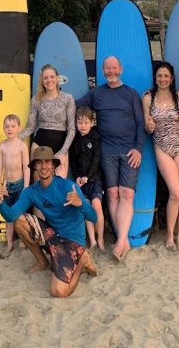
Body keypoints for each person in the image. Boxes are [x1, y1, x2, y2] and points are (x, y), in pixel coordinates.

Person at [0, 146, 98, 298]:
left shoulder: (69, 187)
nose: (44, 166)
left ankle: (82, 261)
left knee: (58, 292)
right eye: (39, 162)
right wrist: (0, 202)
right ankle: (42, 262)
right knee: (19, 221)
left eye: (47, 162)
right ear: (34, 166)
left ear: (53, 165)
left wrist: (80, 204)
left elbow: (93, 217)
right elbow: (11, 216)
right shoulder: (31, 191)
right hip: (52, 235)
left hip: (72, 241)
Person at [77, 55, 145, 262]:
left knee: (127, 193)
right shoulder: (97, 94)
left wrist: (138, 149)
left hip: (129, 150)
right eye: (107, 68)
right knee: (113, 194)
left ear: (120, 69)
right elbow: (75, 106)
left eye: (114, 68)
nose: (111, 71)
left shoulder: (131, 93)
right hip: (107, 150)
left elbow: (140, 123)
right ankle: (122, 241)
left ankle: (121, 239)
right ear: (103, 70)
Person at [142, 62, 179, 251]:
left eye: (166, 76)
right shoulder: (148, 97)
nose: (163, 79)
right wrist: (149, 126)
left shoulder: (178, 97)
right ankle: (169, 236)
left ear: (172, 78)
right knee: (175, 193)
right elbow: (147, 126)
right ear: (155, 78)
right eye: (160, 75)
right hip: (161, 146)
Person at [20, 64, 76, 177]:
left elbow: (71, 130)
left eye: (52, 77)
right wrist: (15, 138)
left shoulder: (68, 98)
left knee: (59, 183)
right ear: (42, 81)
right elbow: (30, 127)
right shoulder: (36, 99)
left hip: (61, 146)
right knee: (38, 182)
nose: (49, 80)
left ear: (57, 78)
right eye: (45, 78)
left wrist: (63, 152)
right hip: (40, 143)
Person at [69, 107, 105, 251]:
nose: (83, 126)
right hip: (81, 181)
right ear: (76, 123)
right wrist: (78, 177)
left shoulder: (95, 137)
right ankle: (92, 240)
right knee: (85, 207)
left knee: (96, 204)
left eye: (86, 123)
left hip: (94, 179)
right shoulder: (75, 139)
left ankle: (100, 239)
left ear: (91, 123)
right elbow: (73, 160)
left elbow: (97, 159)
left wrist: (88, 177)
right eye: (80, 123)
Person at [0, 114, 30, 256]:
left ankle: (22, 241)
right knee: (8, 216)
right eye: (7, 126)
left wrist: (26, 187)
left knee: (20, 215)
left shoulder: (22, 146)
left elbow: (26, 167)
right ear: (3, 128)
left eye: (13, 126)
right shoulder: (2, 147)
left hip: (20, 185)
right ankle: (9, 243)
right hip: (7, 186)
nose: (10, 129)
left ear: (19, 128)